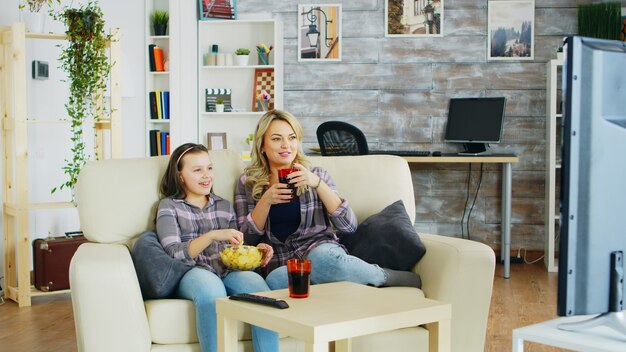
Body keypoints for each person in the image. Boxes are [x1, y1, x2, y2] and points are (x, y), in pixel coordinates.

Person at [234, 110, 421, 289]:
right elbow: (245, 241)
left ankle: (383, 276)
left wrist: (317, 184)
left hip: (319, 250)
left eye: (292, 138)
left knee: (324, 262)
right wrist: (265, 201)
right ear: (262, 146)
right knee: (276, 280)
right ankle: (338, 283)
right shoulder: (248, 183)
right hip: (281, 261)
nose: (286, 145)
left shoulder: (316, 174)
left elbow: (348, 226)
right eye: (276, 139)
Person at [156, 143, 279, 352]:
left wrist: (255, 251)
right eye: (197, 170)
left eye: (209, 168)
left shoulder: (223, 206)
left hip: (226, 270)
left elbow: (234, 248)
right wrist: (212, 236)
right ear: (180, 176)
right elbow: (174, 253)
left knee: (260, 291)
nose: (206, 176)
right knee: (211, 291)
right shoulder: (169, 206)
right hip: (192, 271)